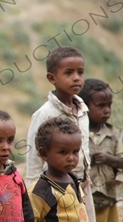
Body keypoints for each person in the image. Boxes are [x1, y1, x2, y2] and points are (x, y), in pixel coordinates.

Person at [25, 46, 96, 221]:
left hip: (80, 186)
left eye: (80, 72)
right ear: (52, 78)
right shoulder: (44, 114)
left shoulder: (83, 110)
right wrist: (30, 196)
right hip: (52, 188)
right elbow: (34, 160)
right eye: (69, 73)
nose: (76, 78)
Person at [78, 78, 123, 222]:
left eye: (109, 105)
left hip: (108, 198)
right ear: (85, 106)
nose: (107, 110)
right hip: (84, 198)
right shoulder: (77, 132)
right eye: (101, 105)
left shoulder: (114, 134)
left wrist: (108, 159)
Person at [28, 117, 89, 222]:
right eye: (63, 152)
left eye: (75, 151)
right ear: (44, 153)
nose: (71, 158)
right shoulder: (40, 190)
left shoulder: (75, 181)